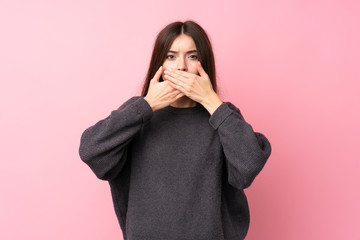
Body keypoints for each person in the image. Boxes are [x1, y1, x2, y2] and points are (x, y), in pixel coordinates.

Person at [79, 20, 271, 240]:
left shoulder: (222, 115)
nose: (181, 67)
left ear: (204, 63)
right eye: (171, 57)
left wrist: (211, 101)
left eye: (192, 56)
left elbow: (250, 165)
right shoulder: (138, 112)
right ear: (159, 64)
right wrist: (147, 105)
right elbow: (91, 150)